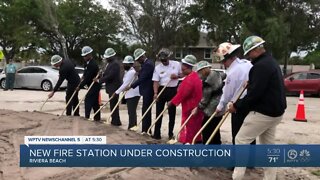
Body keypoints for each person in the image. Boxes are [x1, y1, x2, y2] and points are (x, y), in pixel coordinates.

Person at [228, 36, 287, 180]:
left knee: (241, 139)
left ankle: (237, 177)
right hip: (276, 113)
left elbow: (254, 95)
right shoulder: (271, 62)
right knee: (268, 148)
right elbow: (262, 85)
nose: (248, 57)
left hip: (264, 113)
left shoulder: (260, 66)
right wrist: (253, 82)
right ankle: (270, 178)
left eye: (249, 53)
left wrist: (236, 106)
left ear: (256, 50)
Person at [214, 42, 255, 146]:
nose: (223, 63)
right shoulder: (247, 64)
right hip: (251, 105)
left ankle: (238, 160)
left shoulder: (232, 72)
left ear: (229, 58)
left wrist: (220, 106)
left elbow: (227, 93)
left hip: (238, 107)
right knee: (250, 137)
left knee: (237, 137)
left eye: (224, 61)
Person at [168, 55, 203, 144]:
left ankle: (189, 144)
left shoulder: (190, 79)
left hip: (190, 108)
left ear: (187, 66)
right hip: (196, 107)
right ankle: (196, 141)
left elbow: (182, 94)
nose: (181, 66)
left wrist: (172, 102)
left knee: (189, 128)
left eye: (182, 65)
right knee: (196, 128)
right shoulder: (195, 76)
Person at [152, 48, 181, 140]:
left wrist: (177, 76)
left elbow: (183, 74)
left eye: (165, 59)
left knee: (172, 113)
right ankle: (157, 134)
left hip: (173, 90)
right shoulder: (157, 68)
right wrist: (156, 93)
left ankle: (170, 134)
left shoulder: (176, 64)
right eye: (162, 60)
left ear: (168, 57)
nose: (164, 61)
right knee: (159, 113)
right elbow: (156, 81)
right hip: (162, 90)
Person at [192, 61, 224, 144]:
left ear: (203, 70)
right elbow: (224, 76)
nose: (199, 74)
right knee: (215, 130)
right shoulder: (217, 73)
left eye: (199, 71)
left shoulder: (208, 82)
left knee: (207, 131)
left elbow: (205, 99)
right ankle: (217, 149)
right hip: (220, 106)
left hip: (211, 109)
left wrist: (198, 108)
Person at [126, 48, 154, 134]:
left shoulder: (148, 64)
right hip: (145, 90)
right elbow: (142, 74)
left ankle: (146, 130)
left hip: (148, 90)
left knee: (146, 110)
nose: (138, 61)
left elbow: (143, 78)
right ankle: (145, 129)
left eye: (138, 59)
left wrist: (131, 86)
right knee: (145, 110)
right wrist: (139, 72)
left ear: (142, 56)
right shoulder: (146, 63)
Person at [95, 48, 122, 126]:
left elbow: (111, 76)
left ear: (112, 56)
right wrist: (101, 75)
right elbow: (107, 74)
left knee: (114, 105)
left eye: (107, 57)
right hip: (111, 87)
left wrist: (100, 80)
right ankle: (114, 120)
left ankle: (116, 121)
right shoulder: (109, 64)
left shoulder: (115, 64)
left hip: (114, 87)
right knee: (112, 104)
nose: (106, 58)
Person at [115, 55, 140, 129]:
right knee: (131, 111)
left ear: (131, 64)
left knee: (131, 111)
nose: (124, 65)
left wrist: (117, 92)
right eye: (124, 64)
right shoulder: (128, 72)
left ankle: (132, 126)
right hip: (130, 94)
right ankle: (133, 125)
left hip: (133, 94)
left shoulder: (131, 72)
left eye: (126, 64)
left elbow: (125, 84)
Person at [79, 46, 101, 121]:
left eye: (85, 56)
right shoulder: (87, 63)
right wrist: (82, 76)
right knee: (95, 103)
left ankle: (87, 117)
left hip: (94, 85)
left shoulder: (93, 64)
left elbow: (88, 77)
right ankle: (97, 118)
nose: (84, 57)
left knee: (88, 100)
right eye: (83, 56)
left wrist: (80, 86)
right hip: (90, 85)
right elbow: (86, 73)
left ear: (90, 54)